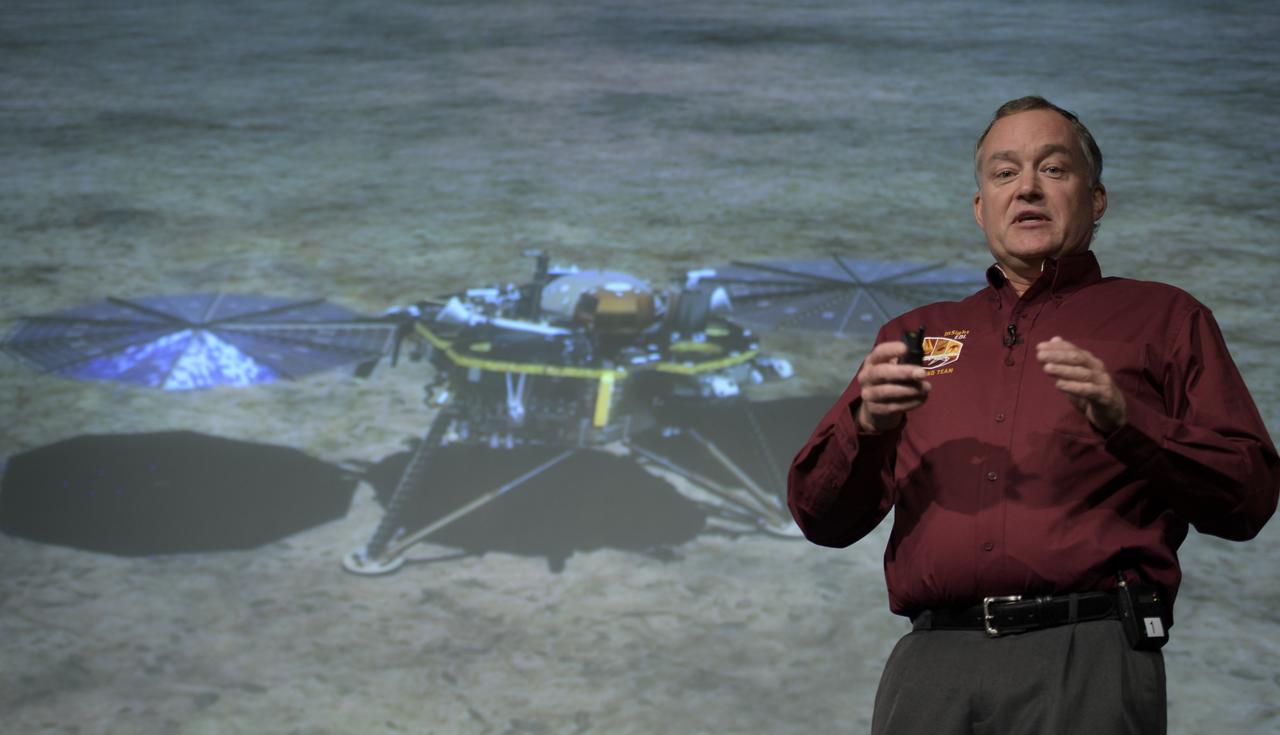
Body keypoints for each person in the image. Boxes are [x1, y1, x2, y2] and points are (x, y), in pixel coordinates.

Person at [787, 96, 1279, 734]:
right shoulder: (920, 337)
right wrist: (866, 427)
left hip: (1087, 653)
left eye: (1053, 169)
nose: (1026, 189)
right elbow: (822, 520)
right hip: (932, 663)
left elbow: (1247, 499)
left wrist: (1128, 421)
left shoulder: (1165, 319)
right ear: (979, 207)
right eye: (1004, 173)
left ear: (1095, 199)